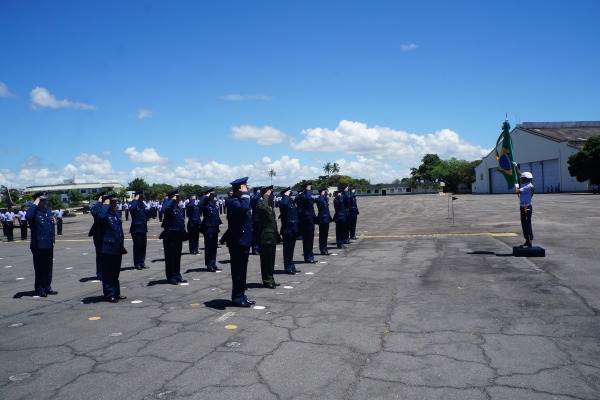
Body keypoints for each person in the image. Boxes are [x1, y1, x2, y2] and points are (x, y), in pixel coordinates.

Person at [224, 177, 256, 307]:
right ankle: (237, 298)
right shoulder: (233, 202)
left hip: (243, 239)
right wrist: (245, 194)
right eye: (245, 186)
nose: (247, 188)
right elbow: (243, 209)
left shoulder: (240, 200)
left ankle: (241, 295)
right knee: (238, 271)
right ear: (240, 188)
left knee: (242, 271)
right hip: (238, 241)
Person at [25, 192, 57, 297]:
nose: (45, 202)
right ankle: (40, 288)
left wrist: (53, 238)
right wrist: (35, 204)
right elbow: (28, 216)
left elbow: (51, 225)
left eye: (45, 200)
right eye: (42, 200)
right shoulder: (33, 212)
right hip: (39, 245)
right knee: (40, 268)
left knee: (48, 267)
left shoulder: (47, 211)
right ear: (37, 201)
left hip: (48, 243)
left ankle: (47, 286)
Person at [97, 194, 127, 303]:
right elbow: (100, 217)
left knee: (115, 272)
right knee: (108, 272)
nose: (115, 204)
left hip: (117, 246)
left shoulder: (115, 213)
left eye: (115, 202)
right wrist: (105, 205)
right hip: (108, 247)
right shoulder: (103, 214)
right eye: (112, 202)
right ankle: (109, 294)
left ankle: (116, 292)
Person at [160, 189, 188, 285]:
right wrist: (170, 199)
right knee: (170, 258)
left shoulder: (177, 208)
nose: (179, 199)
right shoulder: (169, 207)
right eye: (177, 197)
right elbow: (163, 209)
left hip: (178, 235)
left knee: (177, 257)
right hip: (170, 236)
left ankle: (177, 275)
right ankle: (171, 276)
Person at [256, 186, 281, 288]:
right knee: (266, 261)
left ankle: (271, 278)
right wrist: (266, 195)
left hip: (272, 236)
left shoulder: (270, 207)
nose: (273, 197)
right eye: (271, 195)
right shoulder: (261, 205)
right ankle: (266, 280)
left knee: (271, 260)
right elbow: (263, 207)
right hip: (265, 237)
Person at [198, 188, 222, 272]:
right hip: (208, 227)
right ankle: (209, 264)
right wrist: (205, 196)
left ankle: (213, 263)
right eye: (211, 194)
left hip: (215, 227)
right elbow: (199, 205)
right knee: (209, 247)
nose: (213, 196)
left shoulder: (214, 203)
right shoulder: (205, 204)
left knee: (214, 246)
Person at [279, 188, 301, 274]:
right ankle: (288, 268)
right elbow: (284, 203)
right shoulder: (283, 203)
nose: (293, 196)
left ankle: (292, 266)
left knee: (291, 250)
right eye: (291, 194)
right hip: (288, 230)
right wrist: (286, 195)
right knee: (288, 250)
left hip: (293, 230)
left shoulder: (292, 204)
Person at [297, 182, 317, 263]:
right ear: (305, 187)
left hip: (310, 219)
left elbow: (311, 200)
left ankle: (310, 255)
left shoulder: (307, 195)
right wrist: (308, 191)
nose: (310, 188)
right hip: (306, 220)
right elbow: (308, 199)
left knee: (310, 239)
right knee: (307, 240)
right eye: (309, 187)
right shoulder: (302, 196)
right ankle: (307, 257)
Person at [515, 170, 535, 248]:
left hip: (527, 207)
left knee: (527, 224)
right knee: (523, 224)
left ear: (527, 179)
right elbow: (520, 175)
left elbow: (517, 192)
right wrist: (516, 168)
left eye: (523, 178)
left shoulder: (528, 186)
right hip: (523, 206)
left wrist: (516, 185)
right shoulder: (526, 184)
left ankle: (530, 240)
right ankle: (527, 240)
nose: (521, 179)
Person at [129, 192, 148, 270]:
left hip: (143, 228)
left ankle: (142, 262)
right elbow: (132, 209)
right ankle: (137, 263)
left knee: (143, 247)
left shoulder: (142, 205)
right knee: (137, 247)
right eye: (140, 197)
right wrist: (135, 200)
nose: (142, 198)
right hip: (136, 229)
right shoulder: (134, 204)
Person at [89, 192, 106, 279]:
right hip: (99, 234)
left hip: (107, 234)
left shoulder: (106, 207)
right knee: (100, 255)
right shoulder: (95, 207)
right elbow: (95, 213)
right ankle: (100, 273)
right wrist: (99, 202)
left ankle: (106, 271)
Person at [316, 187, 331, 255]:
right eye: (325, 191)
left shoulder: (325, 199)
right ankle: (322, 249)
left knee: (325, 235)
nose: (327, 192)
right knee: (322, 235)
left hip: (326, 219)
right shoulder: (320, 198)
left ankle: (325, 248)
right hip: (322, 219)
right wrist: (322, 194)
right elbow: (320, 202)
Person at [250, 186, 262, 255]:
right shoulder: (253, 197)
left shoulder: (260, 197)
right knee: (255, 234)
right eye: (259, 190)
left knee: (260, 234)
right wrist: (257, 193)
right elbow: (254, 199)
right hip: (256, 218)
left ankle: (259, 248)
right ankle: (255, 248)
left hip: (261, 218)